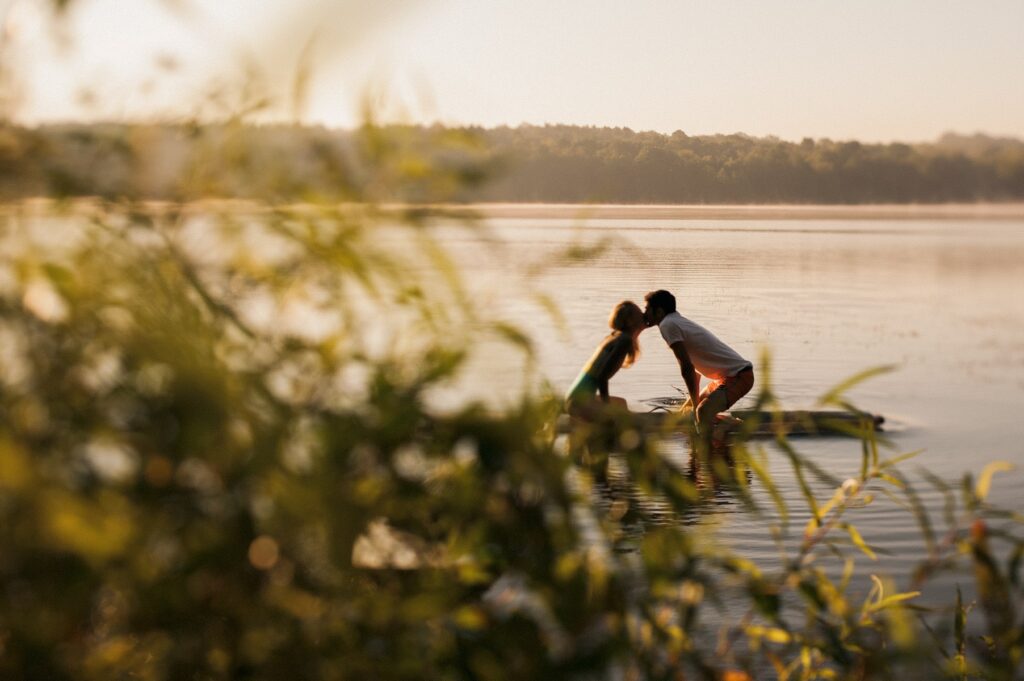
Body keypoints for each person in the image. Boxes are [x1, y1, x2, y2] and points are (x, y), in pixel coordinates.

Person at [642, 289, 754, 437]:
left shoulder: (667, 325)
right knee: (689, 410)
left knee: (701, 411)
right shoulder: (674, 321)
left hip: (739, 376)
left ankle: (710, 448)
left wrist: (696, 407)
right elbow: (694, 370)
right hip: (724, 379)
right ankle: (731, 425)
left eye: (647, 309)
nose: (644, 314)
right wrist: (692, 404)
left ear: (659, 311)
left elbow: (686, 367)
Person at [565, 300, 645, 420]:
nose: (643, 316)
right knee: (620, 420)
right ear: (630, 321)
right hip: (579, 403)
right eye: (640, 315)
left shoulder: (615, 336)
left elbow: (641, 327)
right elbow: (602, 378)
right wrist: (608, 409)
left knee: (621, 404)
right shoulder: (624, 341)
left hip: (574, 398)